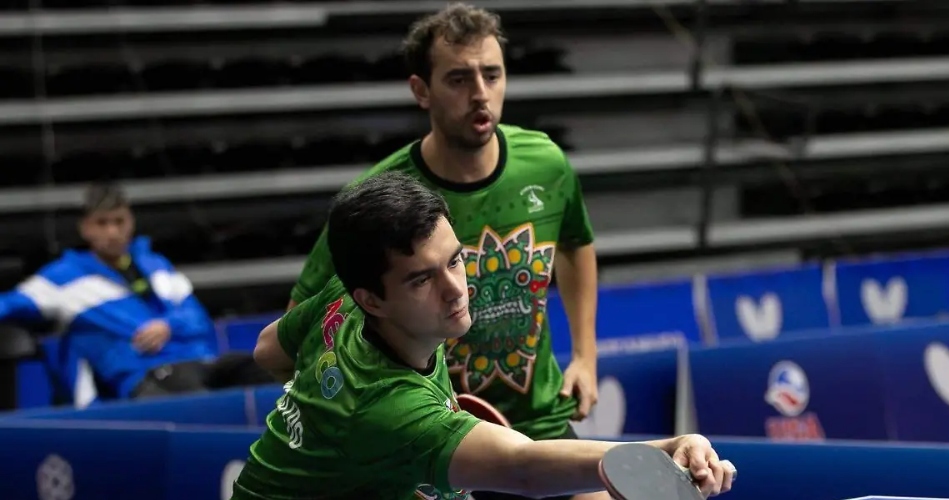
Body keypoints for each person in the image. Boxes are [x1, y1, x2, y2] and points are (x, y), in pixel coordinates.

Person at [234, 171, 735, 500]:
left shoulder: (346, 298)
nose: (456, 290)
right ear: (373, 299)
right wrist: (667, 449)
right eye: (421, 279)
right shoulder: (385, 408)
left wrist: (331, 431)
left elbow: (267, 350)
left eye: (454, 260)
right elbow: (524, 466)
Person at [283, 5, 604, 498]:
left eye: (491, 74)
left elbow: (577, 245)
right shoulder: (379, 199)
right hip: (428, 434)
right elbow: (303, 324)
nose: (480, 93)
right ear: (421, 91)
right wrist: (378, 434)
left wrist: (585, 354)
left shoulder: (545, 162)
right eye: (458, 78)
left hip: (535, 413)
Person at [0, 182, 272, 400]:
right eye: (102, 223)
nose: (113, 231)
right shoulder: (61, 278)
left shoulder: (156, 265)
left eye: (119, 221)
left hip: (202, 361)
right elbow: (9, 303)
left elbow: (198, 319)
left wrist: (167, 325)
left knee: (271, 375)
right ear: (85, 228)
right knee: (212, 408)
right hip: (148, 374)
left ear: (131, 221)